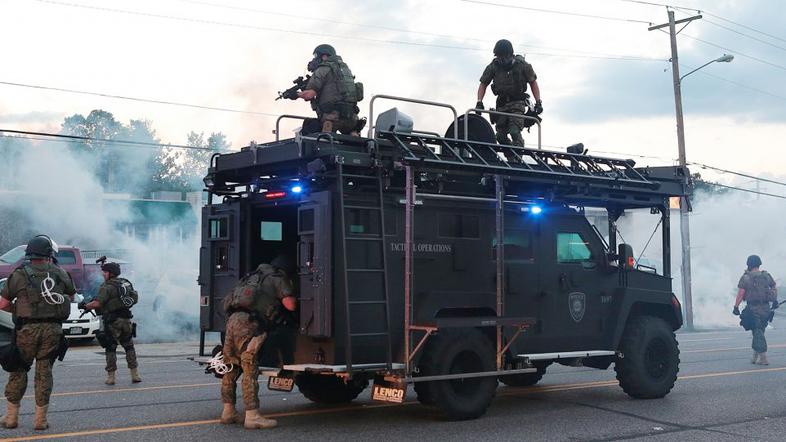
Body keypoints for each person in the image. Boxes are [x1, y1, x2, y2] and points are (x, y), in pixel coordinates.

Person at [0, 235, 75, 430]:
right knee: (44, 373)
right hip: (52, 331)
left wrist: (18, 309)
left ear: (29, 254)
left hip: (27, 331)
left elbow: (3, 304)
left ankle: (11, 418)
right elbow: (71, 296)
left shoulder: (18, 275)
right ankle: (40, 420)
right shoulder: (60, 272)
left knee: (18, 370)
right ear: (49, 254)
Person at [219, 255, 297, 430]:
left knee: (231, 368)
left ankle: (228, 411)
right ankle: (252, 416)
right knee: (249, 368)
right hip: (250, 324)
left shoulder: (251, 276)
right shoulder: (277, 277)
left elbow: (225, 302)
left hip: (232, 321)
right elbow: (290, 305)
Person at [80, 261, 141, 385]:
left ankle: (111, 377)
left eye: (105, 272)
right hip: (126, 320)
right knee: (129, 347)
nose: (103, 274)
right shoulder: (125, 284)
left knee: (110, 348)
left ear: (110, 273)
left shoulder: (106, 286)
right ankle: (135, 375)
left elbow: (98, 303)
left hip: (113, 322)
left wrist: (86, 306)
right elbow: (134, 298)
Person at [476, 39, 542, 147]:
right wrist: (479, 102)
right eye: (499, 56)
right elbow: (483, 84)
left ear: (510, 54)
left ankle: (518, 154)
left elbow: (533, 82)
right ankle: (511, 157)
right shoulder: (494, 66)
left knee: (514, 131)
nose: (501, 59)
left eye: (504, 56)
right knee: (500, 136)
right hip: (502, 105)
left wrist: (538, 102)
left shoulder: (522, 65)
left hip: (517, 104)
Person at [298, 44, 363, 135]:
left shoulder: (323, 69)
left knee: (309, 126)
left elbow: (309, 95)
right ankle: (354, 134)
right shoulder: (345, 70)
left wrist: (296, 94)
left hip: (332, 120)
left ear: (324, 56)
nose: (315, 59)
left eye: (316, 56)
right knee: (352, 141)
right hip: (351, 120)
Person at [733, 254, 777, 365]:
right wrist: (774, 299)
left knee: (757, 331)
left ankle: (763, 358)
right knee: (759, 331)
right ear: (759, 264)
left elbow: (741, 293)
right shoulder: (766, 275)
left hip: (753, 308)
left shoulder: (746, 277)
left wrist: (736, 307)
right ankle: (754, 356)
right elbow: (774, 286)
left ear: (749, 264)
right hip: (766, 308)